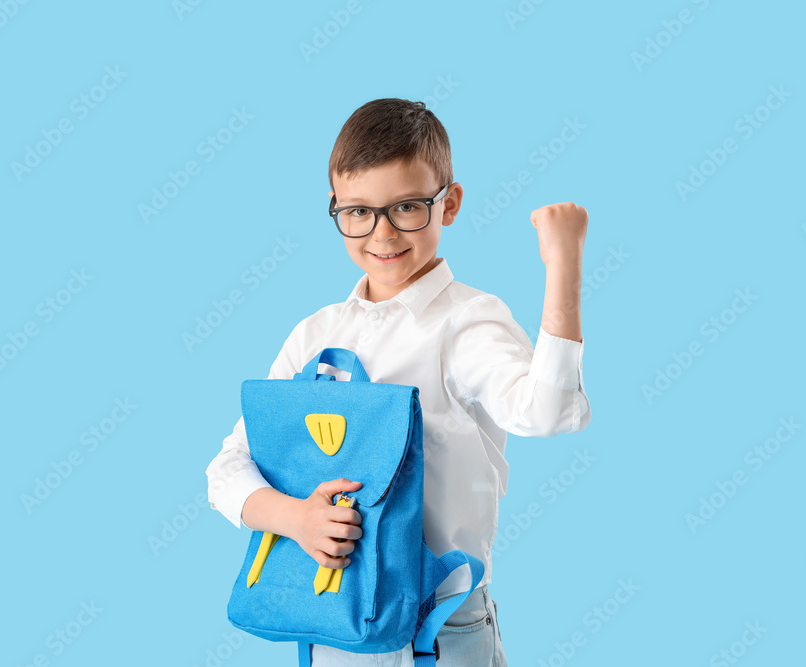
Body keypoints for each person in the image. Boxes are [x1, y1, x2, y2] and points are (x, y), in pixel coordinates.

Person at [205, 97, 591, 666]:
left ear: (449, 204)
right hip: (338, 621)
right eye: (358, 211)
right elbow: (228, 466)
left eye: (407, 206)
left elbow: (547, 413)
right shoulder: (317, 335)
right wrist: (296, 519)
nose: (381, 233)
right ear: (335, 207)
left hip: (441, 627)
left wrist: (564, 267)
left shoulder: (468, 322)